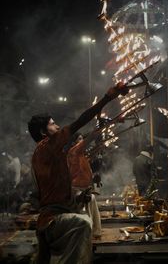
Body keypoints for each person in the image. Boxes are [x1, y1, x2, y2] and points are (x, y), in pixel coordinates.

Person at [28, 83, 128, 264]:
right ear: (44, 132)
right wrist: (107, 97)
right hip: (52, 221)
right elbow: (80, 121)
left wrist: (76, 198)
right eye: (52, 124)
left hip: (53, 217)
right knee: (83, 223)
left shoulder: (48, 153)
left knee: (83, 218)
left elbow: (53, 191)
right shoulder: (47, 147)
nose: (58, 127)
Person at [67, 132, 102, 238]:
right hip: (78, 191)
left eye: (82, 139)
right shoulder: (74, 151)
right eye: (79, 139)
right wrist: (98, 130)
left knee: (91, 218)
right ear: (74, 142)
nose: (82, 141)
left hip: (85, 189)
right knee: (84, 221)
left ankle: (92, 234)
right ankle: (85, 238)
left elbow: (85, 173)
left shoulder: (82, 155)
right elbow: (87, 141)